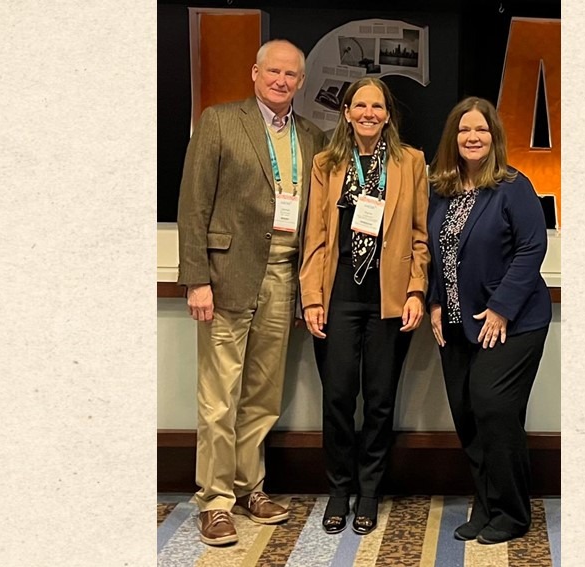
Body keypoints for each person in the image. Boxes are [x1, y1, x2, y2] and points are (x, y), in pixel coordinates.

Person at [176, 39, 327, 547]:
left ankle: (249, 487)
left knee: (263, 395)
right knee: (219, 398)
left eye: (291, 75)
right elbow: (193, 204)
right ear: (255, 73)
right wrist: (196, 278)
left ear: (301, 83)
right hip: (225, 278)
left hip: (284, 277)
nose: (282, 81)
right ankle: (215, 501)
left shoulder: (311, 136)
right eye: (274, 72)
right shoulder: (220, 121)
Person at [299, 77, 429, 536]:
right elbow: (315, 235)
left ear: (387, 114)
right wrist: (311, 298)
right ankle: (339, 489)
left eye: (377, 106)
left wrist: (416, 290)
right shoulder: (326, 163)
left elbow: (419, 233)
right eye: (360, 105)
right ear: (347, 112)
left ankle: (369, 491)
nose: (369, 113)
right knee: (336, 398)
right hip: (339, 296)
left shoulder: (410, 162)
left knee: (378, 400)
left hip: (388, 298)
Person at [426, 97, 552, 545]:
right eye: (463, 131)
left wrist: (500, 306)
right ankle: (487, 503)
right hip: (458, 323)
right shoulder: (441, 187)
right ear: (453, 138)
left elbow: (532, 248)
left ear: (493, 137)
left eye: (480, 130)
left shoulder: (513, 186)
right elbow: (439, 254)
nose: (472, 137)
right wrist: (436, 301)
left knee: (492, 406)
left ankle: (513, 512)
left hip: (512, 322)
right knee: (466, 412)